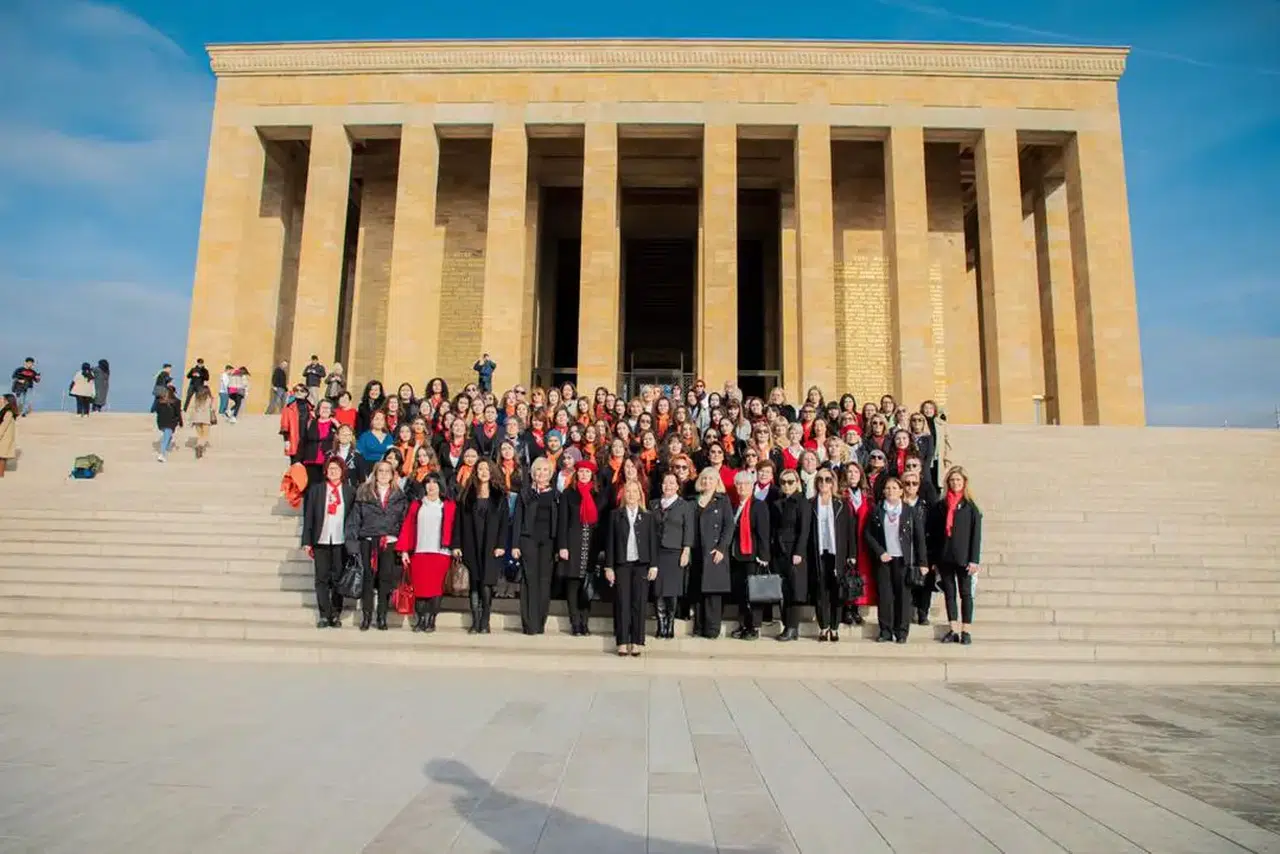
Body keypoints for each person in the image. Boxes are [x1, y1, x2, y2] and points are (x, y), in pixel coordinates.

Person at [344, 460, 408, 631]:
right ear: (375, 473)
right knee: (367, 578)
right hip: (368, 540)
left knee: (385, 579)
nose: (384, 474)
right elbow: (354, 521)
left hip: (389, 542)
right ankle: (366, 616)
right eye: (381, 471)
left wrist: (404, 548)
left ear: (392, 475)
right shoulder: (364, 492)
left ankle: (382, 616)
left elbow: (404, 522)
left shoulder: (399, 496)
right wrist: (352, 545)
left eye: (387, 471)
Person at [864, 476, 927, 644]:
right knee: (885, 595)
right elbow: (868, 534)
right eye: (888, 488)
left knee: (903, 596)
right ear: (884, 491)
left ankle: (901, 631)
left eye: (894, 488)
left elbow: (919, 538)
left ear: (901, 491)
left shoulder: (909, 511)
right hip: (885, 560)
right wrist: (880, 552)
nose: (891, 491)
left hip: (903, 560)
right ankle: (885, 630)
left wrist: (923, 562)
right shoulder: (877, 510)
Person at [604, 479, 659, 657]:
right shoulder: (615, 515)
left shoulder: (648, 516)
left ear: (640, 495)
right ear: (623, 494)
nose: (631, 495)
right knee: (622, 603)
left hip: (641, 564)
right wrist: (609, 567)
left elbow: (653, 542)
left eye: (635, 491)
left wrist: (654, 565)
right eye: (628, 491)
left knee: (639, 603)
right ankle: (622, 641)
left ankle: (636, 641)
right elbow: (610, 542)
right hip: (622, 564)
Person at [928, 466, 982, 645]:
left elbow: (976, 535)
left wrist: (974, 559)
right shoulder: (940, 506)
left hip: (964, 558)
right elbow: (934, 534)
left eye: (958, 480)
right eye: (952, 480)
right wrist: (934, 559)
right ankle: (953, 628)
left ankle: (966, 630)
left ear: (964, 482)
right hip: (945, 556)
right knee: (949, 594)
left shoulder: (970, 507)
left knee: (966, 594)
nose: (955, 483)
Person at [397, 472, 456, 633]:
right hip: (419, 552)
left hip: (441, 553)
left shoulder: (448, 505)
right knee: (420, 589)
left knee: (436, 589)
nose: (431, 486)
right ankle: (421, 619)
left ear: (440, 486)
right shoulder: (416, 505)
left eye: (435, 482)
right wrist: (404, 551)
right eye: (428, 483)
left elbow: (455, 529)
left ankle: (431, 619)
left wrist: (455, 548)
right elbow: (408, 527)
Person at [454, 459, 508, 633]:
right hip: (471, 543)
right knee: (474, 583)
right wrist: (457, 545)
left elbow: (504, 523)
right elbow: (458, 522)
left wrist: (501, 544)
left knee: (486, 583)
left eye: (487, 469)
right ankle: (475, 621)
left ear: (492, 472)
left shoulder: (499, 496)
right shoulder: (467, 495)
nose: (483, 472)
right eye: (480, 469)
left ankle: (485, 620)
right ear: (475, 472)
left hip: (491, 545)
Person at [301, 457, 354, 628]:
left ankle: (336, 613)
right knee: (321, 578)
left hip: (341, 540)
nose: (333, 472)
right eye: (330, 468)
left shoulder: (349, 491)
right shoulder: (316, 490)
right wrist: (307, 541)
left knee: (338, 577)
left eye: (336, 469)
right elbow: (309, 516)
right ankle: (324, 614)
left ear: (342, 471)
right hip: (321, 539)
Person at [557, 458, 607, 637]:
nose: (584, 475)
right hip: (573, 543)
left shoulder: (599, 496)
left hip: (591, 545)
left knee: (587, 586)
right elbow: (562, 521)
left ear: (592, 476)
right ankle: (575, 622)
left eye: (587, 472)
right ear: (576, 474)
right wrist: (562, 546)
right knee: (573, 585)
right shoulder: (568, 494)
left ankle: (585, 622)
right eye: (581, 471)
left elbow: (602, 524)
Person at [809, 468, 857, 641]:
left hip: (838, 553)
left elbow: (850, 530)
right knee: (820, 590)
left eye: (828, 479)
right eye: (820, 479)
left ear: (833, 482)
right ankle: (823, 626)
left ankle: (835, 627)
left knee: (837, 590)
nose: (824, 483)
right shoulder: (810, 503)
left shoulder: (842, 504)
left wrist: (852, 553)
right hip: (818, 552)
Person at [512, 456, 558, 635]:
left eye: (545, 470)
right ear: (532, 473)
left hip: (548, 542)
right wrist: (515, 545)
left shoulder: (556, 495)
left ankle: (540, 623)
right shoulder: (525, 494)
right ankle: (529, 624)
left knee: (544, 581)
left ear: (550, 474)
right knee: (529, 580)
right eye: (538, 469)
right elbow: (517, 520)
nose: (541, 473)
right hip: (528, 540)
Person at [650, 471, 695, 639]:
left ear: (677, 486)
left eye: (671, 483)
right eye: (665, 482)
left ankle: (670, 626)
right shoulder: (653, 504)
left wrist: (686, 550)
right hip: (657, 552)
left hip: (675, 552)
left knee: (671, 590)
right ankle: (660, 625)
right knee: (658, 590)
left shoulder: (685, 506)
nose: (668, 486)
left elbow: (689, 529)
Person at [690, 466, 733, 638]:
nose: (707, 482)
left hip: (714, 550)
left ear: (717, 482)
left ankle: (712, 628)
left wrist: (722, 548)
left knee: (713, 591)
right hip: (696, 550)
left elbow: (729, 526)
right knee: (698, 590)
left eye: (711, 479)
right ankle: (699, 626)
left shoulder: (723, 500)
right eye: (704, 478)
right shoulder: (693, 501)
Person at [728, 470, 771, 640]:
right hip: (737, 556)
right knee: (741, 593)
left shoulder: (758, 505)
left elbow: (763, 533)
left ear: (752, 486)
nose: (741, 487)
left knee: (753, 593)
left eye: (745, 484)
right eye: (738, 484)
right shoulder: (734, 506)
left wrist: (764, 555)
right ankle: (743, 624)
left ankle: (754, 626)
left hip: (753, 557)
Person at [770, 467, 811, 642]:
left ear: (797, 483)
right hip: (780, 551)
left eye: (790, 482)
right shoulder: (778, 502)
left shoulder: (802, 502)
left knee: (795, 591)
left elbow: (804, 530)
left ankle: (792, 627)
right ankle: (787, 625)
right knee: (784, 590)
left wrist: (799, 551)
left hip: (795, 551)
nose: (787, 485)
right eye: (783, 482)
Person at [901, 467, 934, 626]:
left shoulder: (925, 506)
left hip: (923, 548)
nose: (910, 486)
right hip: (903, 549)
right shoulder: (898, 505)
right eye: (907, 483)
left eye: (914, 483)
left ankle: (923, 612)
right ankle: (907, 612)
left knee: (925, 582)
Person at [183, 384, 217, 460]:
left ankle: (199, 447)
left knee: (200, 435)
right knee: (205, 435)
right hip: (206, 419)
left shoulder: (196, 398)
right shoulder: (210, 399)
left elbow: (192, 408)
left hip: (196, 419)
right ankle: (199, 446)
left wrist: (191, 420)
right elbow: (213, 409)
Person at [153, 385, 183, 462]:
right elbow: (178, 413)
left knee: (168, 435)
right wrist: (180, 422)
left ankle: (165, 449)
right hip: (171, 421)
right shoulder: (177, 401)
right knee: (166, 437)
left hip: (161, 421)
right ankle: (162, 454)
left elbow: (157, 410)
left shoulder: (159, 401)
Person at [0, 394, 18, 477]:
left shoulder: (8, 412)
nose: (0, 400)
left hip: (4, 438)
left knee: (2, 457)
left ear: (7, 401)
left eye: (2, 399)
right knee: (2, 457)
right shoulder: (5, 411)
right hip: (5, 438)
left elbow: (3, 426)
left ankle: (1, 475)